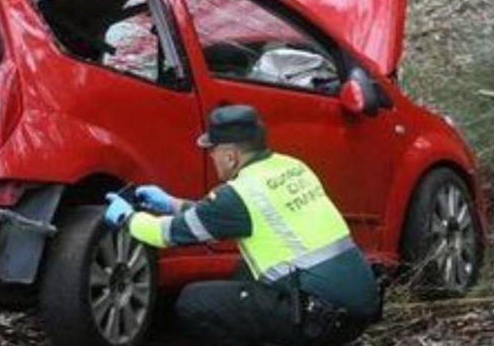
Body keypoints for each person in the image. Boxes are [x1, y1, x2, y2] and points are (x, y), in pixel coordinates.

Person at [104, 105, 381, 346]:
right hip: (358, 305)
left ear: (231, 156)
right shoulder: (292, 166)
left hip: (321, 319)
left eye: (212, 151)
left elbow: (166, 234)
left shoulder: (239, 194)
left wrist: (126, 218)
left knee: (193, 301)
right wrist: (172, 203)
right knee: (244, 270)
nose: (210, 158)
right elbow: (222, 215)